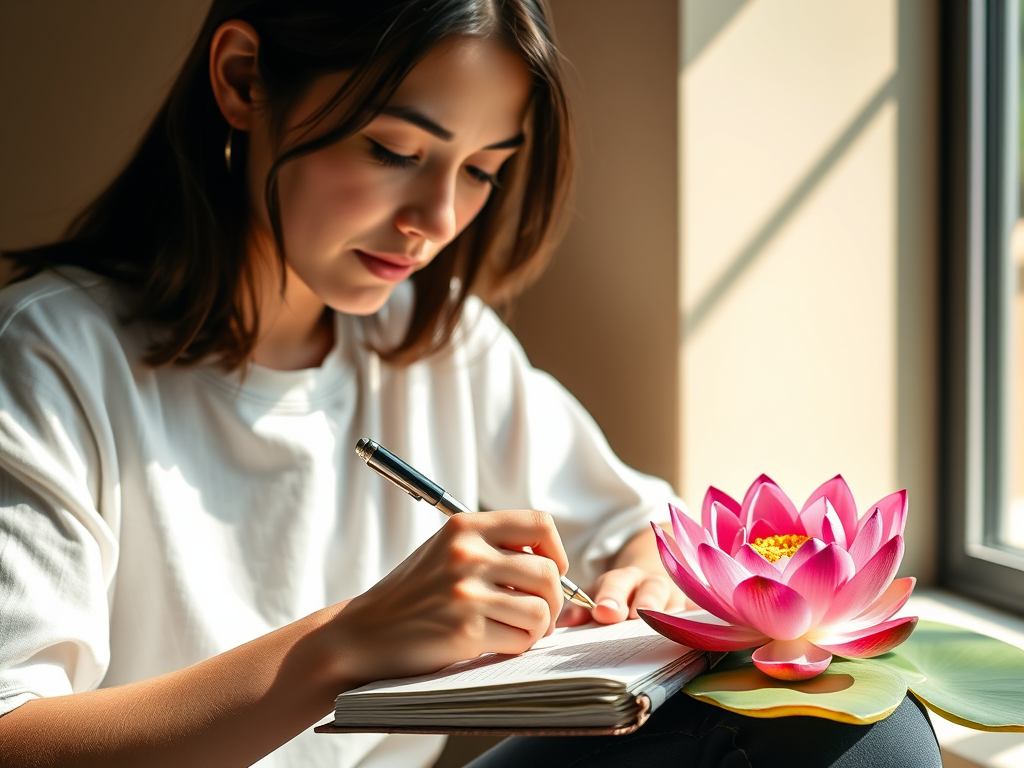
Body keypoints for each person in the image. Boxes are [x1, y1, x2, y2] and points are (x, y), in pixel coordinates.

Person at [0, 2, 941, 767]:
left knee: (852, 723)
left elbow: (639, 530)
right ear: (244, 81)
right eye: (395, 152)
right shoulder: (52, 356)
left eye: (482, 171)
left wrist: (636, 581)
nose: (435, 220)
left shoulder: (441, 343)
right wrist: (342, 649)